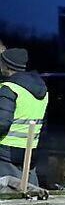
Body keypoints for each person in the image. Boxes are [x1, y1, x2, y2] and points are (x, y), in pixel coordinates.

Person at [0, 48, 49, 185]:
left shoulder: (9, 88)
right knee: (29, 191)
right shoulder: (42, 90)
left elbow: (2, 122)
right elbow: (43, 126)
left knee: (8, 194)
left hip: (6, 153)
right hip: (29, 152)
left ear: (6, 66)